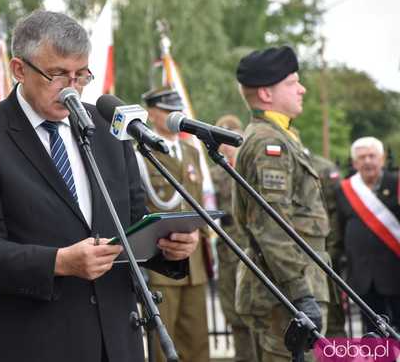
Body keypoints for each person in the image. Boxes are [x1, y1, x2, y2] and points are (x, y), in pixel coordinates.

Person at [0, 10, 200, 362]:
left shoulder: (108, 128)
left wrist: (169, 247)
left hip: (116, 341)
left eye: (81, 76)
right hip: (33, 343)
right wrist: (58, 262)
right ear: (19, 69)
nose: (72, 88)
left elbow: (132, 224)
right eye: (58, 75)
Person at [232, 46, 330, 361]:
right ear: (265, 93)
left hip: (292, 288)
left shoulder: (282, 136)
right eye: (292, 83)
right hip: (284, 295)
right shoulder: (268, 143)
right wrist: (301, 294)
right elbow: (271, 227)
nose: (301, 89)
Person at [138, 87, 210, 362]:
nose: (174, 117)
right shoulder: (142, 153)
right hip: (162, 263)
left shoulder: (191, 152)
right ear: (153, 114)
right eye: (168, 111)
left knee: (197, 342)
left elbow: (198, 203)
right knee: (163, 346)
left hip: (195, 263)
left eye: (176, 111)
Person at [336, 137, 400, 333]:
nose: (367, 161)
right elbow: (339, 230)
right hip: (363, 278)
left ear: (382, 159)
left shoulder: (396, 183)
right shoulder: (344, 190)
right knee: (374, 337)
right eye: (362, 157)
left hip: (395, 275)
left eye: (372, 156)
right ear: (355, 163)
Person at [210, 114, 255, 362]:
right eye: (221, 140)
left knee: (260, 310)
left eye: (230, 138)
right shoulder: (215, 175)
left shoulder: (253, 168)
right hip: (229, 251)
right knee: (235, 312)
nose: (226, 145)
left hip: (255, 249)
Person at [310, 153, 346, 337]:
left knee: (333, 319)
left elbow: (337, 214)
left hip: (326, 253)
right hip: (296, 255)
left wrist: (332, 250)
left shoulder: (323, 167)